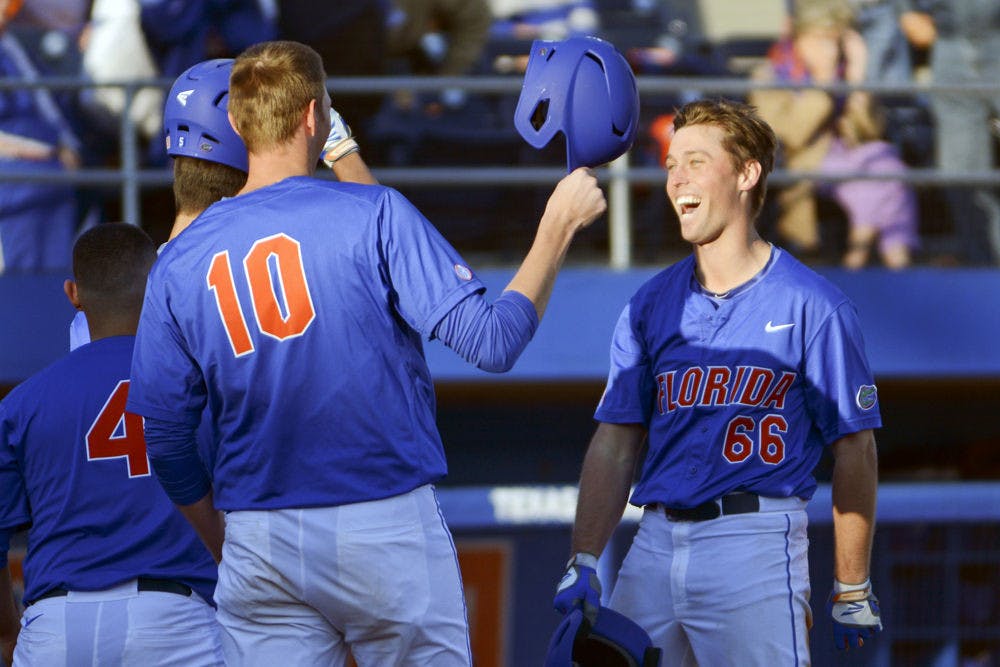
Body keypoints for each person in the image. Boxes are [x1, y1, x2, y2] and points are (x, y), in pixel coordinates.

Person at [125, 39, 606, 666]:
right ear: (312, 118)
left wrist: (223, 537)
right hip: (382, 521)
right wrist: (558, 225)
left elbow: (164, 438)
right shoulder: (373, 212)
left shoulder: (179, 260)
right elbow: (492, 342)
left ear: (241, 125)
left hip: (258, 529)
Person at [553, 98, 882, 662]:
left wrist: (851, 585)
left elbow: (856, 447)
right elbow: (615, 441)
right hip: (653, 540)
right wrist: (584, 555)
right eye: (671, 163)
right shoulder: (649, 303)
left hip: (752, 541)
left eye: (697, 162)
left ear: (748, 174)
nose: (677, 177)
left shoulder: (814, 305)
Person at [0, 223, 224, 666]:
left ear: (72, 293)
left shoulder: (21, 403)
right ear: (159, 284)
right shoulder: (204, 386)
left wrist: (8, 635)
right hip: (177, 619)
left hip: (56, 626)